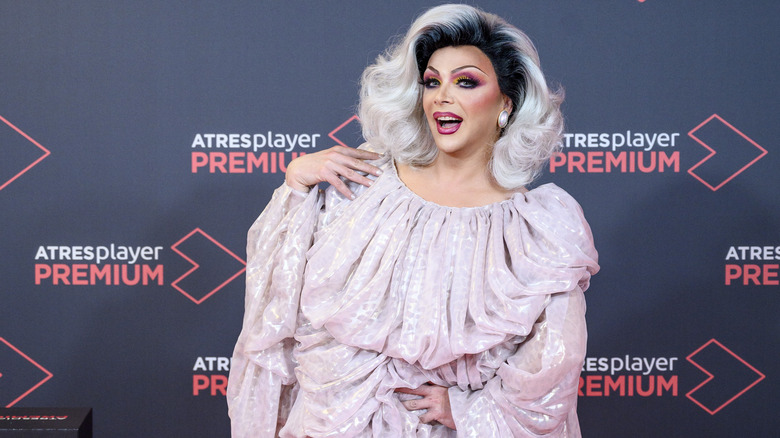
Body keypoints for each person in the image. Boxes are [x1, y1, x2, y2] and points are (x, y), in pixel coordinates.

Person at [227, 4, 598, 437]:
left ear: (506, 103)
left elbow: (554, 361)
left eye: (466, 82)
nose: (442, 96)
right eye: (432, 82)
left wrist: (472, 411)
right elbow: (278, 313)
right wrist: (296, 188)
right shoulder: (363, 184)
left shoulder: (541, 228)